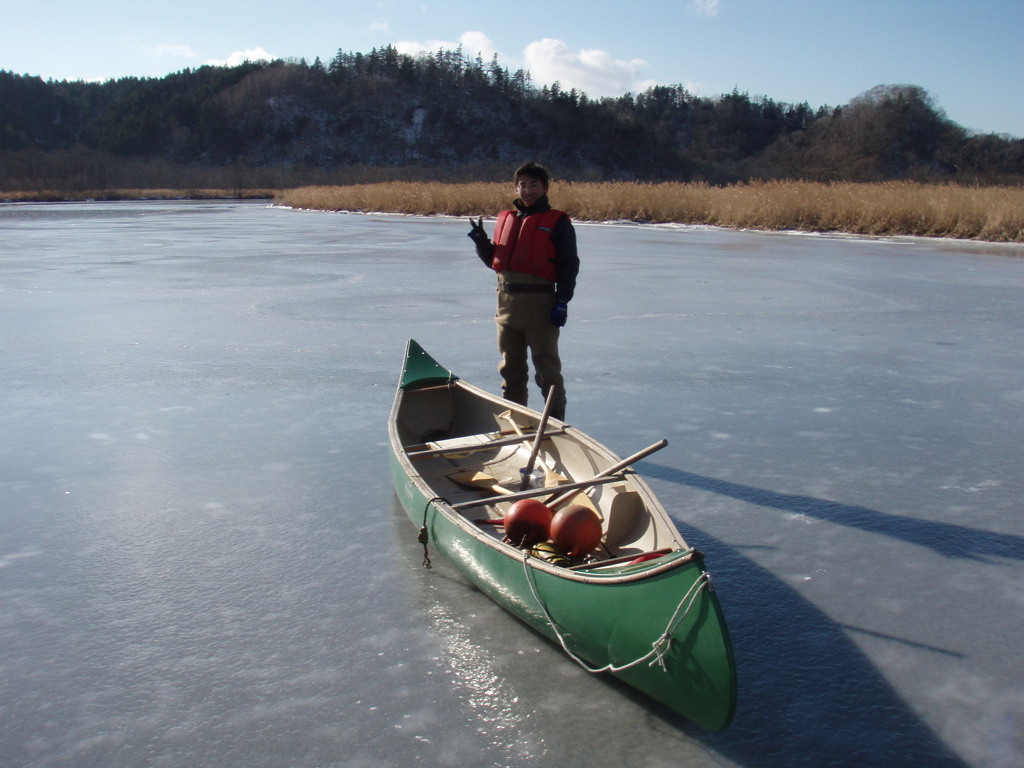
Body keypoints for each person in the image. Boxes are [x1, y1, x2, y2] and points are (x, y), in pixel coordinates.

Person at [468, 162, 579, 421]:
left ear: (545, 187)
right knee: (511, 369)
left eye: (533, 185)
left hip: (540, 306)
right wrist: (482, 243)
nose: (527, 190)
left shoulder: (557, 222)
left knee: (547, 370)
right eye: (522, 185)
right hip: (506, 306)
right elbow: (496, 262)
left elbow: (569, 264)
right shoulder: (506, 218)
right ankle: (516, 421)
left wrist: (562, 300)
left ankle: (555, 422)